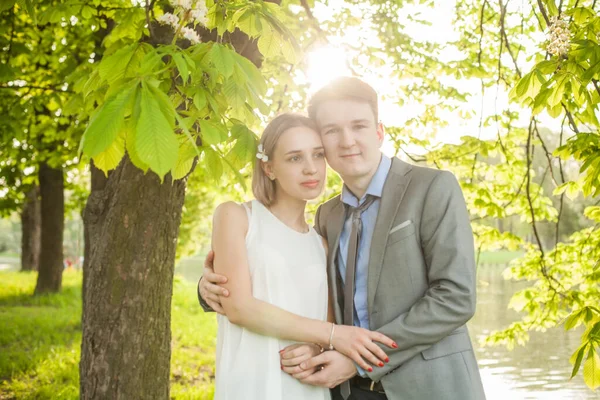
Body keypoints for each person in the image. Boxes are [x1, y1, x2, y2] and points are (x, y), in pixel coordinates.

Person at [199, 77, 486, 400]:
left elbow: (456, 296)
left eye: (358, 126)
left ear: (379, 132)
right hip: (347, 391)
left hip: (428, 386)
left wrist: (356, 356)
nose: (347, 141)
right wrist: (208, 288)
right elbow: (298, 287)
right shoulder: (327, 216)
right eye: (332, 131)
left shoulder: (431, 188)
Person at [207, 113, 396, 400]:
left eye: (318, 155)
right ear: (269, 168)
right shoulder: (236, 217)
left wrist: (318, 347)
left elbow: (323, 326)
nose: (311, 169)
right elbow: (239, 308)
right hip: (250, 382)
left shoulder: (322, 243)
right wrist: (333, 334)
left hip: (304, 384)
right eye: (295, 158)